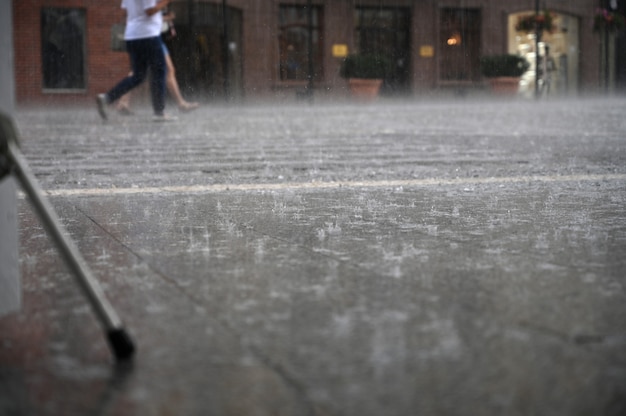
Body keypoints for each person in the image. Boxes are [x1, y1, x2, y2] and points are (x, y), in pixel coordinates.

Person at [96, 0, 175, 122]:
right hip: (149, 35)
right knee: (159, 71)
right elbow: (149, 11)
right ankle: (159, 112)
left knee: (138, 75)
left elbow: (131, 11)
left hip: (132, 36)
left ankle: (107, 98)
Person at [116, 11, 199, 115]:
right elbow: (147, 17)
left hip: (149, 36)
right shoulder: (152, 4)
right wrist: (167, 18)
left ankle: (123, 102)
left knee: (140, 71)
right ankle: (180, 104)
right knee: (161, 70)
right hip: (150, 37)